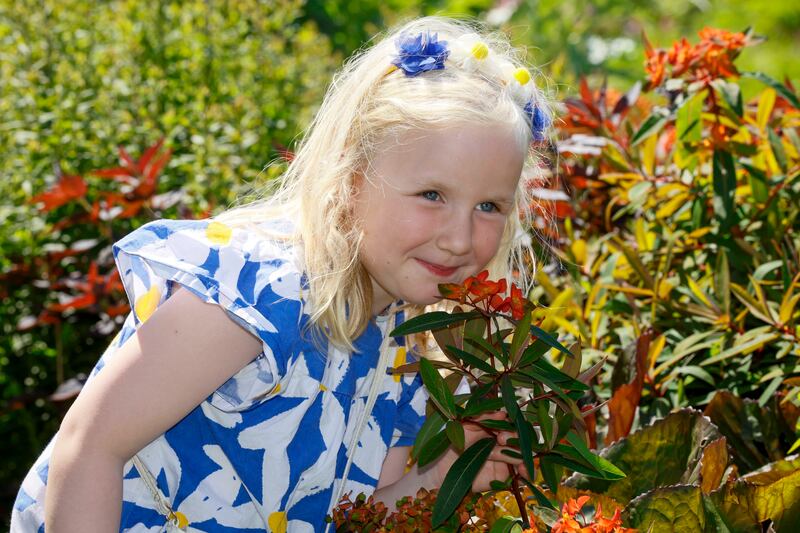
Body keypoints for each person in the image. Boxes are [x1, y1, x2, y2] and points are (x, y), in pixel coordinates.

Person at [11, 15, 551, 532]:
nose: (459, 238)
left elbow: (355, 519)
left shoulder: (406, 350)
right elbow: (89, 447)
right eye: (432, 195)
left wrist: (442, 475)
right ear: (352, 177)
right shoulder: (256, 292)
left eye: (489, 207)